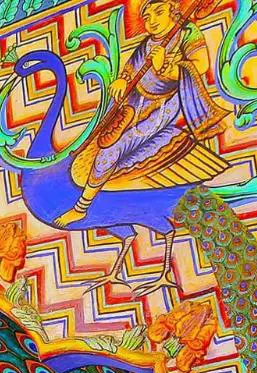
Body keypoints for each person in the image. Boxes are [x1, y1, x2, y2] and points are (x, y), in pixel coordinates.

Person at [55, 0, 230, 225]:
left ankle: (81, 207)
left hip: (162, 105)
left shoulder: (187, 33)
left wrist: (165, 67)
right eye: (147, 17)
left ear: (174, 10)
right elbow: (131, 69)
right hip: (134, 99)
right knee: (101, 139)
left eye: (159, 12)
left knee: (112, 149)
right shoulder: (148, 43)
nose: (152, 21)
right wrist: (122, 79)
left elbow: (201, 65)